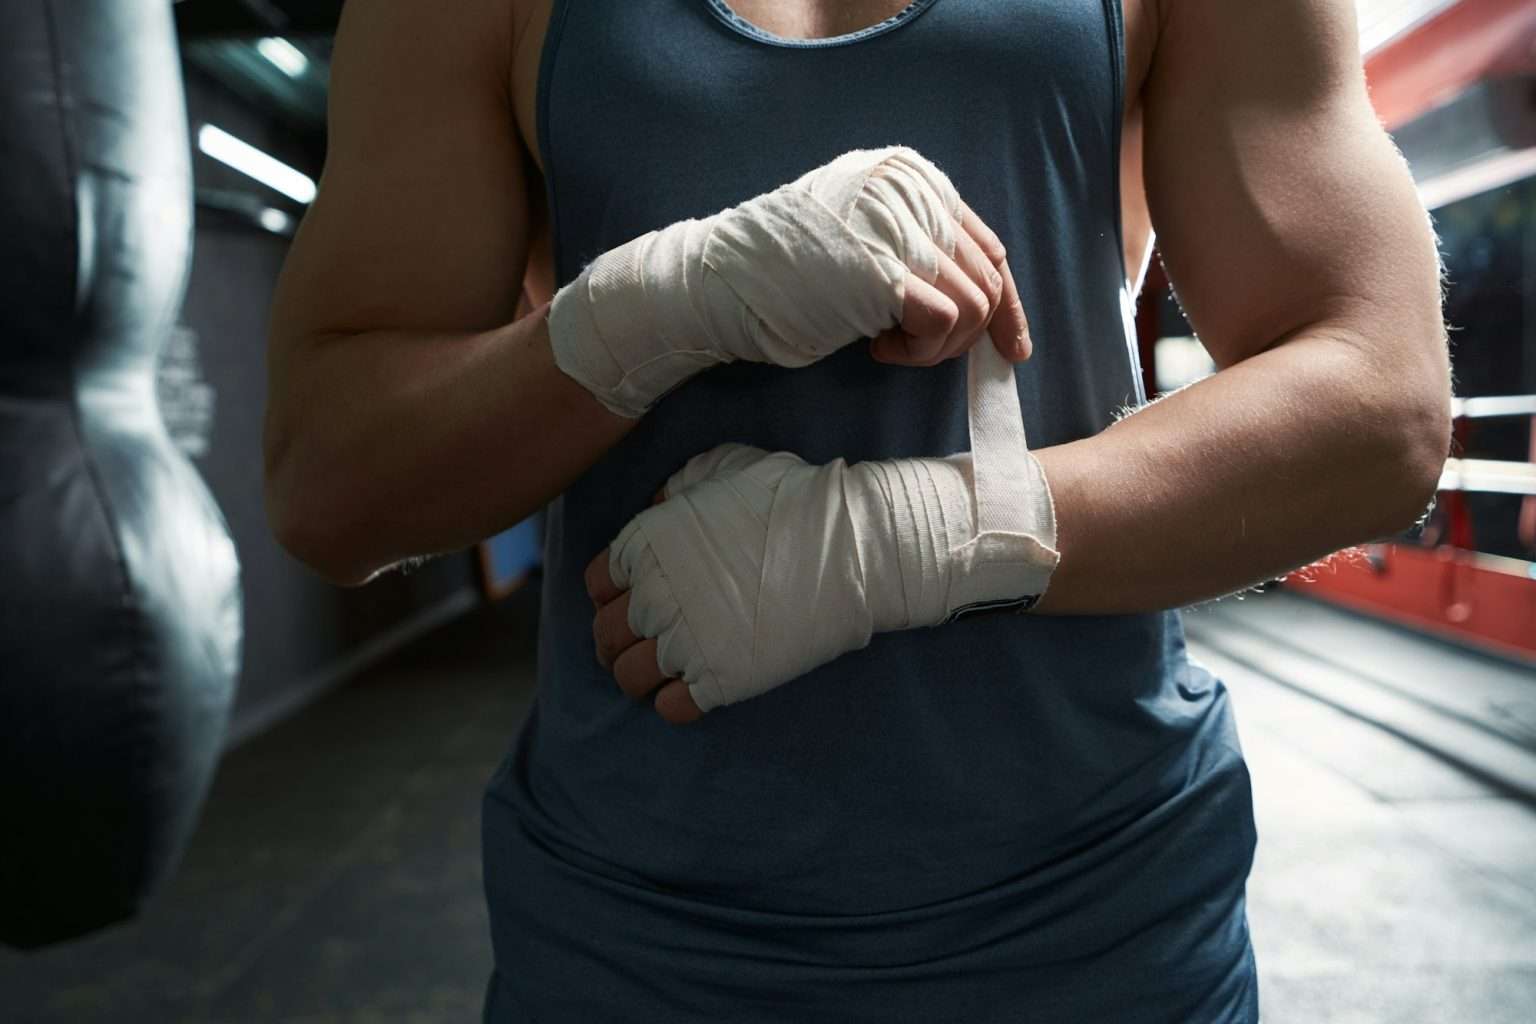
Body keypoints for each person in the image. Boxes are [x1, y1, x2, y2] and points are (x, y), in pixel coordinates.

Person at [264, 1, 1451, 1020]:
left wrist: (905, 544)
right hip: (642, 946)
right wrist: (665, 301)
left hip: (1099, 922)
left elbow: (1381, 402)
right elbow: (329, 478)